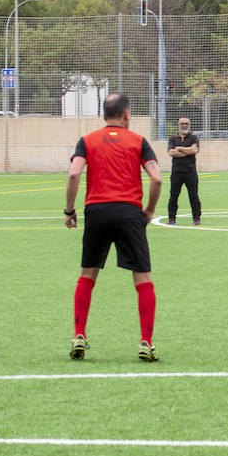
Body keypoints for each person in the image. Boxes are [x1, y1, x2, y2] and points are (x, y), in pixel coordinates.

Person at [64, 93, 164, 362]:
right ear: (127, 114)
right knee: (142, 277)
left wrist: (70, 210)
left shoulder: (87, 141)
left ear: (104, 114)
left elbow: (74, 173)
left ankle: (79, 335)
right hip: (129, 212)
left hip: (96, 211)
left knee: (88, 274)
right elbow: (156, 179)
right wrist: (150, 211)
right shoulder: (139, 142)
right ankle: (146, 341)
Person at [166, 117, 202, 226]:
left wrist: (180, 148)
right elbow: (171, 152)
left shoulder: (194, 138)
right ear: (178, 125)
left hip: (190, 172)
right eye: (182, 124)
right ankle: (172, 218)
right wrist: (188, 151)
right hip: (176, 172)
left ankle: (196, 218)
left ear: (189, 125)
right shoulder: (172, 139)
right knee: (173, 196)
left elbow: (195, 150)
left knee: (193, 196)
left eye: (186, 123)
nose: (184, 125)